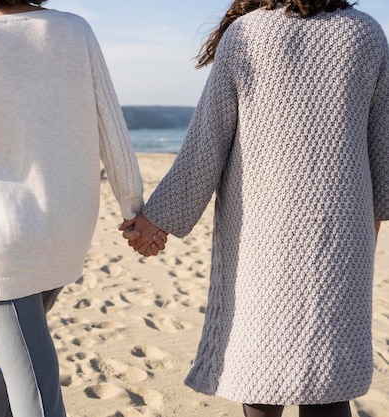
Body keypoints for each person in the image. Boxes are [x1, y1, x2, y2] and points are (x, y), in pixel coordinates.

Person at [122, 0, 389, 416]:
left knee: (263, 371)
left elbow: (206, 145)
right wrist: (369, 227)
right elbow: (383, 149)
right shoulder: (367, 33)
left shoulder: (247, 33)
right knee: (330, 381)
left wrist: (155, 222)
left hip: (263, 238)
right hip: (343, 236)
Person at [0, 0, 167, 415]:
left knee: (34, 385)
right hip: (67, 228)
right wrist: (132, 207)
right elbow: (112, 127)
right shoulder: (75, 30)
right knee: (19, 360)